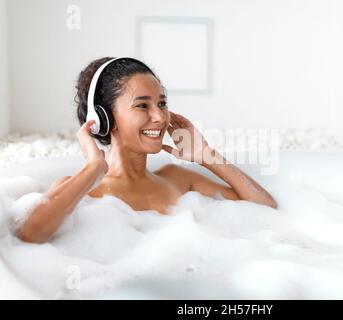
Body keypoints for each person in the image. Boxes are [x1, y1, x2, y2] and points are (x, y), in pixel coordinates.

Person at [16, 57, 277, 243]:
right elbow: (30, 234)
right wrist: (94, 168)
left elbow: (266, 211)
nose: (160, 117)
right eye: (142, 106)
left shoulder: (179, 179)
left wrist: (206, 156)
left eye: (162, 104)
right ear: (105, 118)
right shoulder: (82, 189)